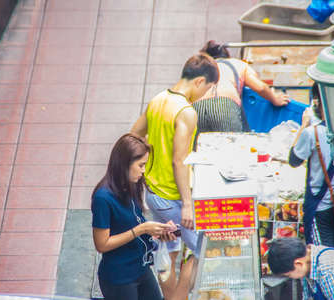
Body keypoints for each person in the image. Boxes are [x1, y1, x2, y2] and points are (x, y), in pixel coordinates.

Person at [131, 53, 219, 300]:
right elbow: (179, 160)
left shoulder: (158, 99)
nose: (206, 95)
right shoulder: (186, 112)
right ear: (200, 82)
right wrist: (188, 206)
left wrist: (152, 155)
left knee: (168, 248)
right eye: (209, 89)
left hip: (153, 192)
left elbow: (133, 136)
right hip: (172, 197)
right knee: (202, 249)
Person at [91, 133, 175, 300]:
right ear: (125, 164)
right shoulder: (103, 198)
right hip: (119, 278)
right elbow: (102, 244)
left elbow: (135, 220)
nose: (143, 171)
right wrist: (141, 229)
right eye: (141, 165)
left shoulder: (131, 185)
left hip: (141, 267)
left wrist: (156, 232)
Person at [288, 83, 334, 249]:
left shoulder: (312, 133)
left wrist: (304, 125)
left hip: (320, 207)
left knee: (322, 257)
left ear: (317, 103)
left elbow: (294, 160)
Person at [193, 40, 290, 137]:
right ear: (227, 55)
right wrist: (275, 98)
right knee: (232, 146)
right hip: (224, 106)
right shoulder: (238, 64)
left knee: (202, 148)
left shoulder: (202, 68)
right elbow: (260, 87)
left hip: (197, 107)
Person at [267, 237, 334, 300]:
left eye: (289, 275)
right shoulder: (307, 260)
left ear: (298, 263)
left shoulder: (328, 270)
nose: (291, 278)